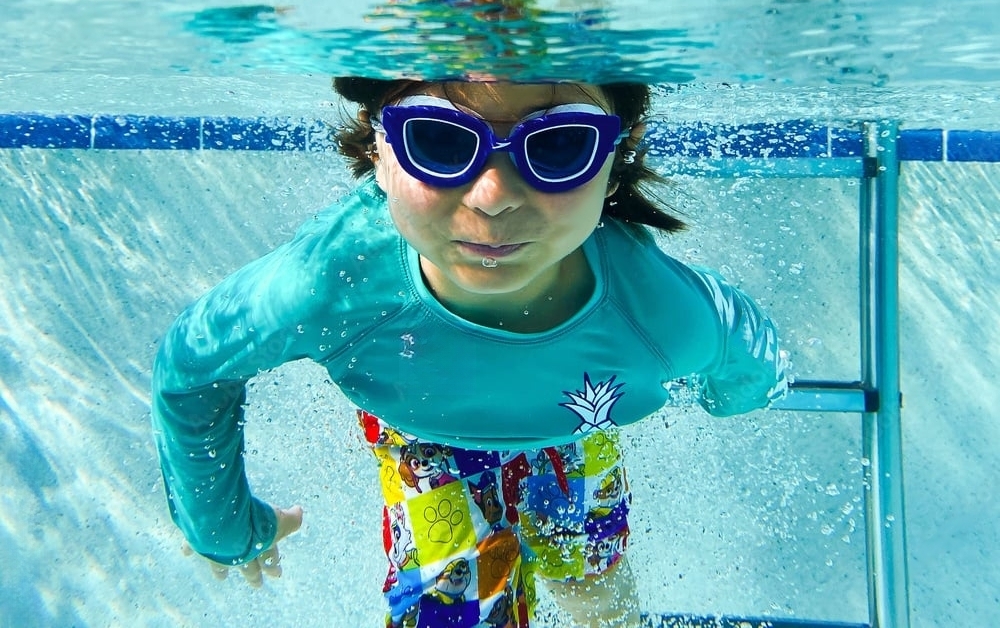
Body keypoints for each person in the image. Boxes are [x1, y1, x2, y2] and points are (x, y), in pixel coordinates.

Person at [152, 77, 786, 628]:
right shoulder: (334, 280)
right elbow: (192, 368)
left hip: (575, 423)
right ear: (379, 146)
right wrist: (221, 525)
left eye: (561, 144)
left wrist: (739, 392)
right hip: (423, 439)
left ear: (617, 154)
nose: (492, 197)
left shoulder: (653, 310)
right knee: (454, 615)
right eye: (439, 139)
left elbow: (745, 342)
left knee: (590, 592)